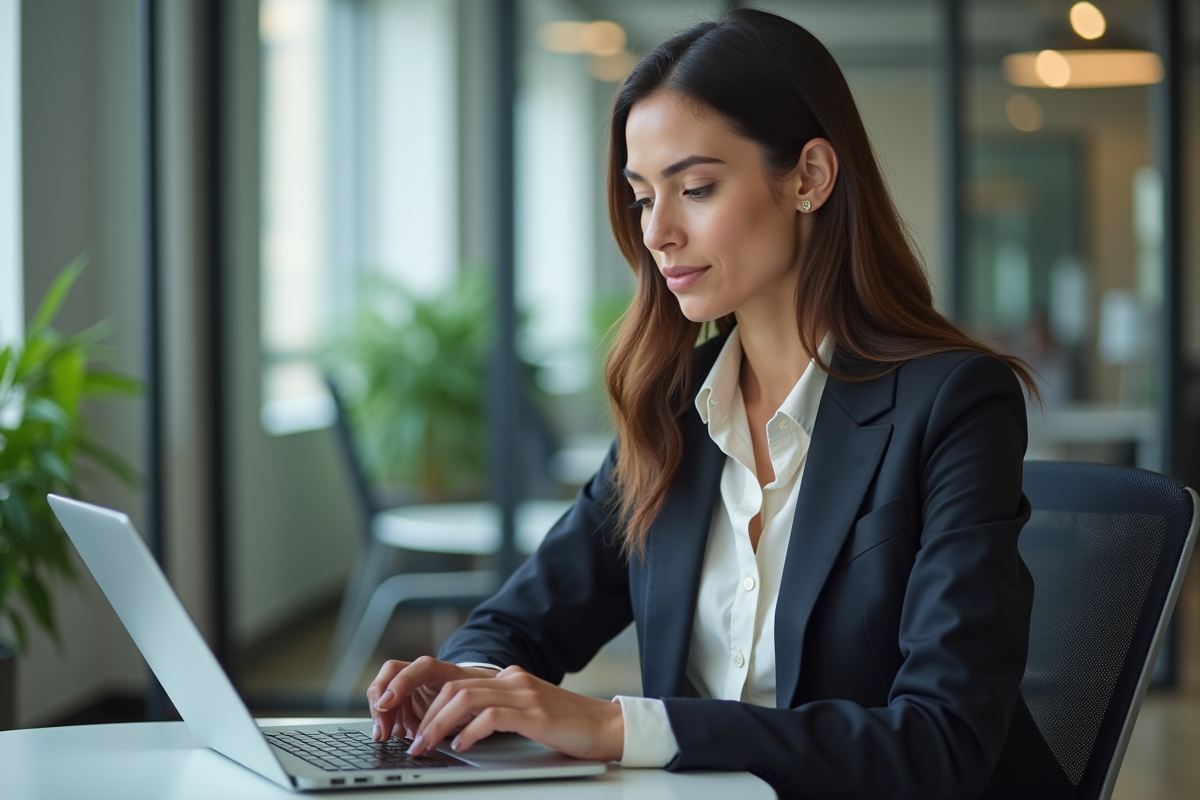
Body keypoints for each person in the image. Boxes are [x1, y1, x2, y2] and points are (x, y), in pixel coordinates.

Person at [366, 10, 1071, 799]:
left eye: (695, 188)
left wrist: (620, 727)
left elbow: (942, 743)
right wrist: (465, 686)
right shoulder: (673, 408)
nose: (657, 232)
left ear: (809, 178)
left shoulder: (954, 404)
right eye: (642, 198)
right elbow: (520, 621)